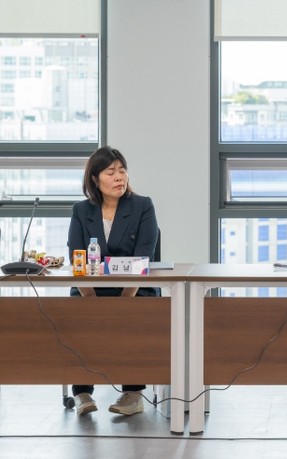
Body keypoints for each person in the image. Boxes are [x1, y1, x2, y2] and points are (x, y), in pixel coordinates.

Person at [67, 145, 160, 416]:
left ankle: (133, 394)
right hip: (91, 290)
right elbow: (77, 258)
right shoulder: (81, 210)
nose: (119, 177)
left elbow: (142, 259)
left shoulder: (142, 206)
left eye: (122, 170)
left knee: (134, 318)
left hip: (134, 289)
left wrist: (123, 300)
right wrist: (91, 298)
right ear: (95, 179)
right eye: (111, 172)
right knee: (78, 316)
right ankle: (82, 393)